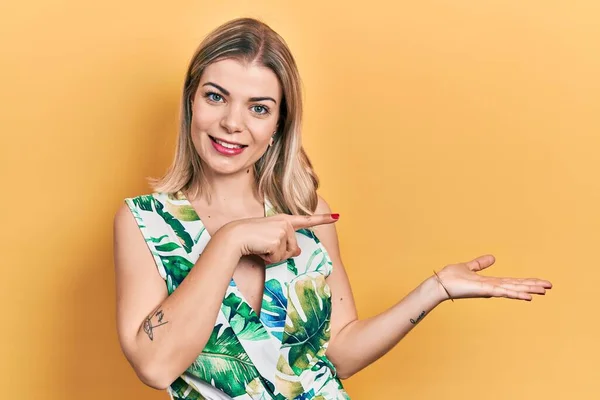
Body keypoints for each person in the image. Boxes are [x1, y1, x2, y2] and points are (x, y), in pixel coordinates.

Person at [113, 17, 553, 400]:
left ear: (278, 125)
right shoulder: (145, 222)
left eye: (258, 108)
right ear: (190, 103)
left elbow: (338, 352)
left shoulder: (307, 212)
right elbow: (155, 367)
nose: (232, 122)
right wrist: (231, 240)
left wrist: (433, 290)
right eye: (215, 97)